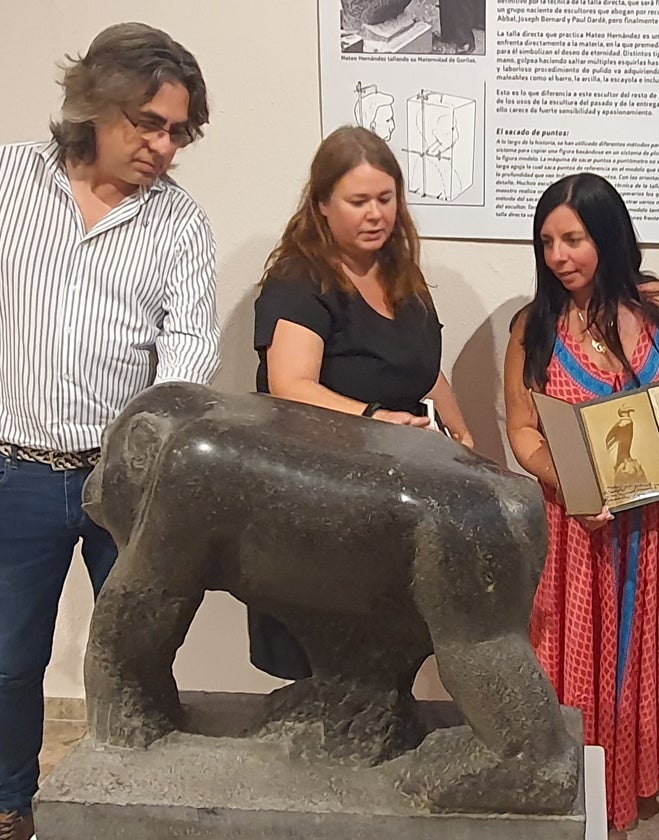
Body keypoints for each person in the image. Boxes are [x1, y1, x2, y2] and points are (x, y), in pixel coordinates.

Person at [0, 23, 219, 840]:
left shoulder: (180, 225)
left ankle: (133, 803)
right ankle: (12, 808)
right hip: (14, 474)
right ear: (94, 103)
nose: (164, 146)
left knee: (133, 659)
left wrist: (159, 477)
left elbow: (186, 367)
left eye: (178, 130)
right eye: (148, 122)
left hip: (125, 483)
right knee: (9, 661)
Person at [503, 173, 659, 839]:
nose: (558, 256)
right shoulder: (534, 326)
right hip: (581, 529)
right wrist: (572, 487)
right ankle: (582, 785)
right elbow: (522, 432)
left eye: (572, 239)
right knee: (576, 654)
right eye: (547, 242)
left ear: (608, 235)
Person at [250, 124, 472, 678]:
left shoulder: (400, 271)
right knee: (329, 666)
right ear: (322, 204)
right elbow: (291, 385)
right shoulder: (299, 279)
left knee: (388, 653)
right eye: (357, 202)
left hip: (393, 492)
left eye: (385, 198)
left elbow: (419, 367)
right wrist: (376, 421)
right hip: (320, 495)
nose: (375, 214)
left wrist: (464, 436)